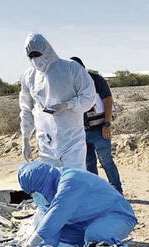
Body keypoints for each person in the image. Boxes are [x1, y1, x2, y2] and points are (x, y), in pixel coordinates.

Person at [14, 161, 137, 247]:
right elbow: (51, 228)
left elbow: (59, 211)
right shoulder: (47, 195)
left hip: (117, 215)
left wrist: (29, 244)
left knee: (94, 235)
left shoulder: (72, 179)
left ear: (42, 183)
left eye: (34, 192)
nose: (34, 197)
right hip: (83, 222)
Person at [19, 33, 96, 169]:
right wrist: (25, 138)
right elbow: (26, 108)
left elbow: (89, 97)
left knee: (73, 181)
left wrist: (68, 105)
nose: (35, 59)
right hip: (45, 143)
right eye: (31, 56)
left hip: (71, 140)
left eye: (37, 54)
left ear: (46, 50)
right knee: (52, 183)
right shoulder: (29, 76)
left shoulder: (71, 68)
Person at [70, 56, 124, 194]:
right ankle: (96, 193)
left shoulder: (95, 79)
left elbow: (108, 100)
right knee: (89, 164)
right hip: (80, 131)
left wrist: (107, 123)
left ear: (82, 67)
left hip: (100, 130)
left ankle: (117, 192)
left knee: (106, 162)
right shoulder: (69, 83)